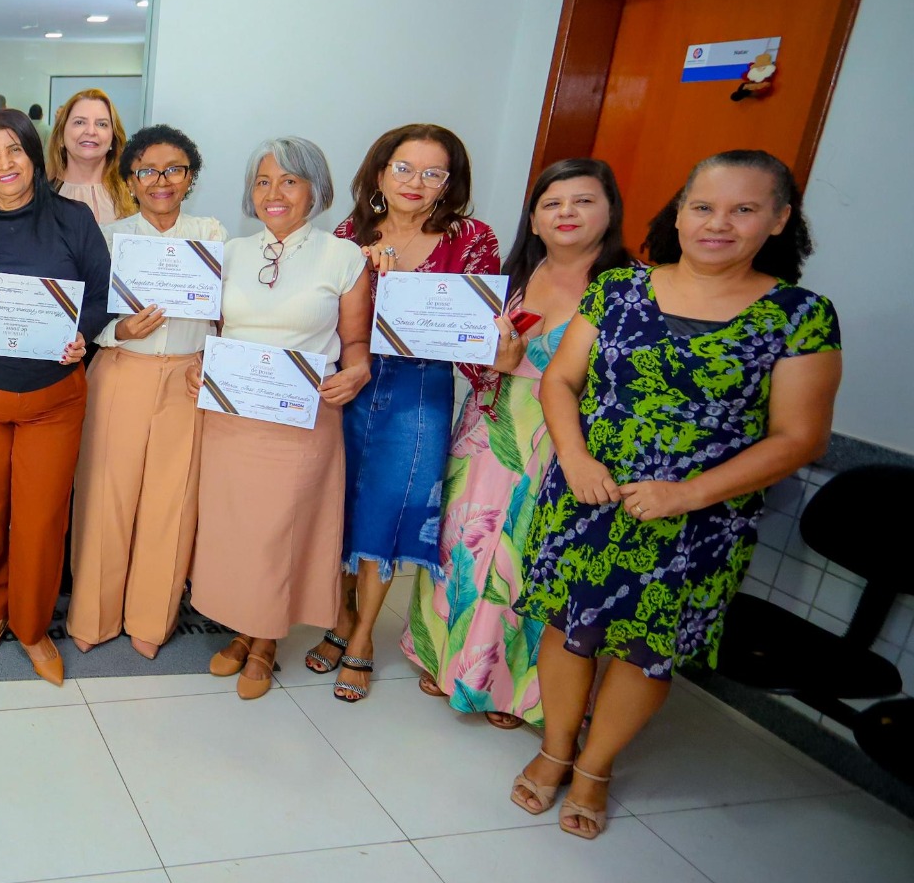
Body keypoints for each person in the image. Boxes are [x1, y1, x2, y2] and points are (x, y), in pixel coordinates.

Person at [512, 151, 839, 839]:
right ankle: (556, 748)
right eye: (703, 207)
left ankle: (596, 768)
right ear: (680, 212)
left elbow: (799, 437)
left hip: (700, 521)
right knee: (567, 629)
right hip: (587, 495)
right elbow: (561, 380)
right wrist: (574, 458)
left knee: (646, 649)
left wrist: (688, 495)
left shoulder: (799, 315)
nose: (719, 223)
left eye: (744, 209)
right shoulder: (619, 289)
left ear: (779, 220)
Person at [405, 159, 631, 728]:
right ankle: (444, 657)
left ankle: (511, 688)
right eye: (552, 203)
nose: (566, 213)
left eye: (583, 201)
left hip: (563, 439)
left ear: (610, 212)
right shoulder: (510, 277)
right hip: (488, 427)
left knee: (526, 558)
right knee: (462, 545)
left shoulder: (630, 290)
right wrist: (490, 362)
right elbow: (469, 351)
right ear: (533, 219)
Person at [306, 124, 499, 703]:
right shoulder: (348, 236)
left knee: (391, 511)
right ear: (380, 173)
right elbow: (327, 320)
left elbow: (474, 332)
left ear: (449, 183)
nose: (416, 182)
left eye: (433, 173)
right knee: (340, 504)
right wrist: (368, 279)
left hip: (419, 391)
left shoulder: (471, 238)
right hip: (352, 385)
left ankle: (364, 634)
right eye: (404, 168)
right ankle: (340, 617)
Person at [0, 109, 110, 685]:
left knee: (41, 521)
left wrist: (83, 335)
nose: (5, 163)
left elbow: (99, 294)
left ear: (34, 155)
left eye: (15, 150)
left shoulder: (73, 219)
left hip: (53, 399)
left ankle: (32, 627)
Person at [193, 139, 371, 698]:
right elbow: (215, 329)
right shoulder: (230, 252)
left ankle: (265, 641)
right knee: (237, 529)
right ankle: (242, 629)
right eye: (263, 181)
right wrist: (202, 366)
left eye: (289, 181)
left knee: (279, 533)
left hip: (302, 419)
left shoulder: (343, 257)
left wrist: (358, 371)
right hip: (233, 418)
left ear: (315, 190)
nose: (275, 193)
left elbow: (355, 343)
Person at [68, 125, 226, 659]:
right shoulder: (108, 237)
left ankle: (151, 618)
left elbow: (230, 312)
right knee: (104, 496)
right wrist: (119, 330)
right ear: (130, 180)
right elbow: (84, 314)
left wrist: (214, 356)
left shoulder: (212, 234)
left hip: (188, 376)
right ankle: (92, 614)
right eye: (147, 171)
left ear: (190, 178)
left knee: (172, 500)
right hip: (122, 369)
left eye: (174, 169)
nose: (161, 180)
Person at [46, 88, 136, 225]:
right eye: (79, 122)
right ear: (61, 137)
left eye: (101, 124)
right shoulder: (40, 195)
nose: (91, 131)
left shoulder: (134, 193)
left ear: (113, 138)